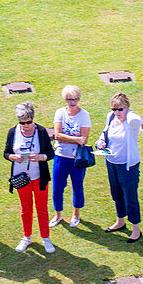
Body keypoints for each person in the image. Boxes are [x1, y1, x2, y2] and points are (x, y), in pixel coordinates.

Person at [3, 102, 56, 253]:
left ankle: (46, 237)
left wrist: (41, 157)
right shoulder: (13, 132)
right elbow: (6, 153)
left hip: (39, 177)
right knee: (26, 209)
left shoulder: (41, 132)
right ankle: (26, 237)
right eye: (22, 123)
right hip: (22, 178)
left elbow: (51, 154)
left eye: (28, 122)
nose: (25, 126)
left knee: (42, 208)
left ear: (33, 118)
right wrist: (13, 157)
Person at [94, 92, 143, 242]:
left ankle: (136, 228)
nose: (117, 113)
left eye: (120, 109)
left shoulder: (131, 120)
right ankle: (120, 221)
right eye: (114, 109)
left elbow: (137, 120)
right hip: (112, 163)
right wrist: (100, 142)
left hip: (127, 166)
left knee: (130, 197)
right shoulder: (110, 116)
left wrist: (129, 114)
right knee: (116, 194)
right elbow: (105, 133)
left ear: (127, 108)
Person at [50, 85, 91, 228]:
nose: (72, 102)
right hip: (61, 156)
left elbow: (84, 139)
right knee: (57, 187)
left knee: (77, 186)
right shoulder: (60, 113)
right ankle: (58, 214)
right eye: (69, 99)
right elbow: (57, 136)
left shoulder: (84, 115)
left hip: (76, 159)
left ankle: (76, 213)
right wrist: (75, 139)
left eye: (75, 99)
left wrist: (66, 137)